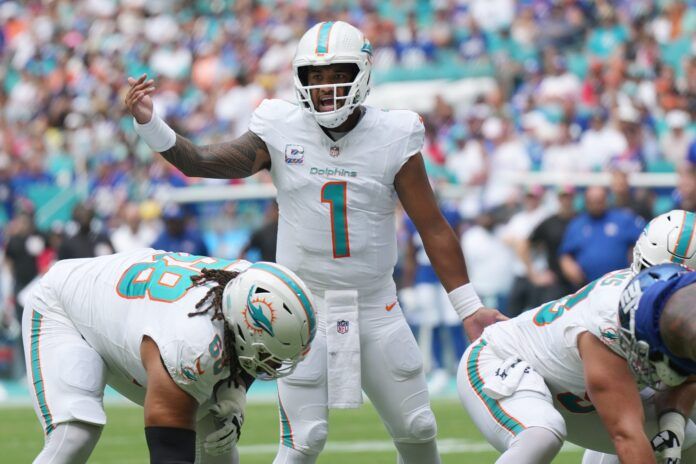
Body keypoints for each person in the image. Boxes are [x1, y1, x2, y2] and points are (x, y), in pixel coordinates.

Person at [125, 20, 504, 464]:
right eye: (315, 75)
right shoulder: (280, 128)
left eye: (337, 72)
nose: (326, 86)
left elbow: (432, 225)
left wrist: (469, 307)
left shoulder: (394, 134)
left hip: (376, 305)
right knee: (305, 439)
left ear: (362, 71)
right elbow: (202, 162)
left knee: (418, 427)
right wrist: (151, 123)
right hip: (302, 309)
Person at [23, 248, 317, 464]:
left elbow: (243, 344)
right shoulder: (190, 343)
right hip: (65, 310)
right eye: (270, 353)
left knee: (218, 438)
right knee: (75, 434)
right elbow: (169, 454)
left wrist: (235, 393)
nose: (275, 363)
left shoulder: (244, 286)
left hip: (132, 314)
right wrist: (233, 391)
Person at [457, 261, 696, 464]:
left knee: (687, 442)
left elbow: (687, 379)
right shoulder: (607, 330)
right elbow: (627, 435)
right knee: (540, 435)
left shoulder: (674, 311)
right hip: (503, 359)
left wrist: (673, 424)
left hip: (578, 392)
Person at [559, 185, 644, 290]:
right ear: (586, 202)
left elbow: (643, 240)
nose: (595, 204)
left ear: (606, 199)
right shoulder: (577, 224)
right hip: (586, 287)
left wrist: (634, 260)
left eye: (598, 200)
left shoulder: (622, 219)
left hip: (620, 285)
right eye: (592, 201)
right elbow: (565, 255)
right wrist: (571, 270)